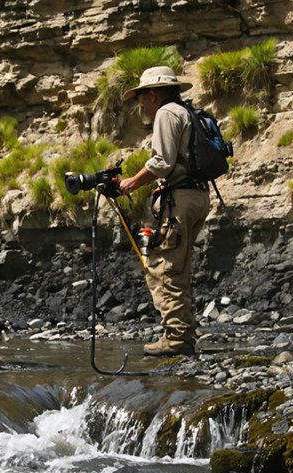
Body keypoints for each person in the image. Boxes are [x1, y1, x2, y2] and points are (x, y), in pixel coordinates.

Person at [118, 66, 211, 357]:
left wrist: (132, 182)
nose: (142, 105)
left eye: (142, 98)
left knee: (164, 268)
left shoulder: (167, 114)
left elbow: (162, 161)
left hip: (179, 199)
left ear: (153, 94)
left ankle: (177, 339)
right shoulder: (187, 112)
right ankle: (184, 332)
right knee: (178, 267)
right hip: (197, 195)